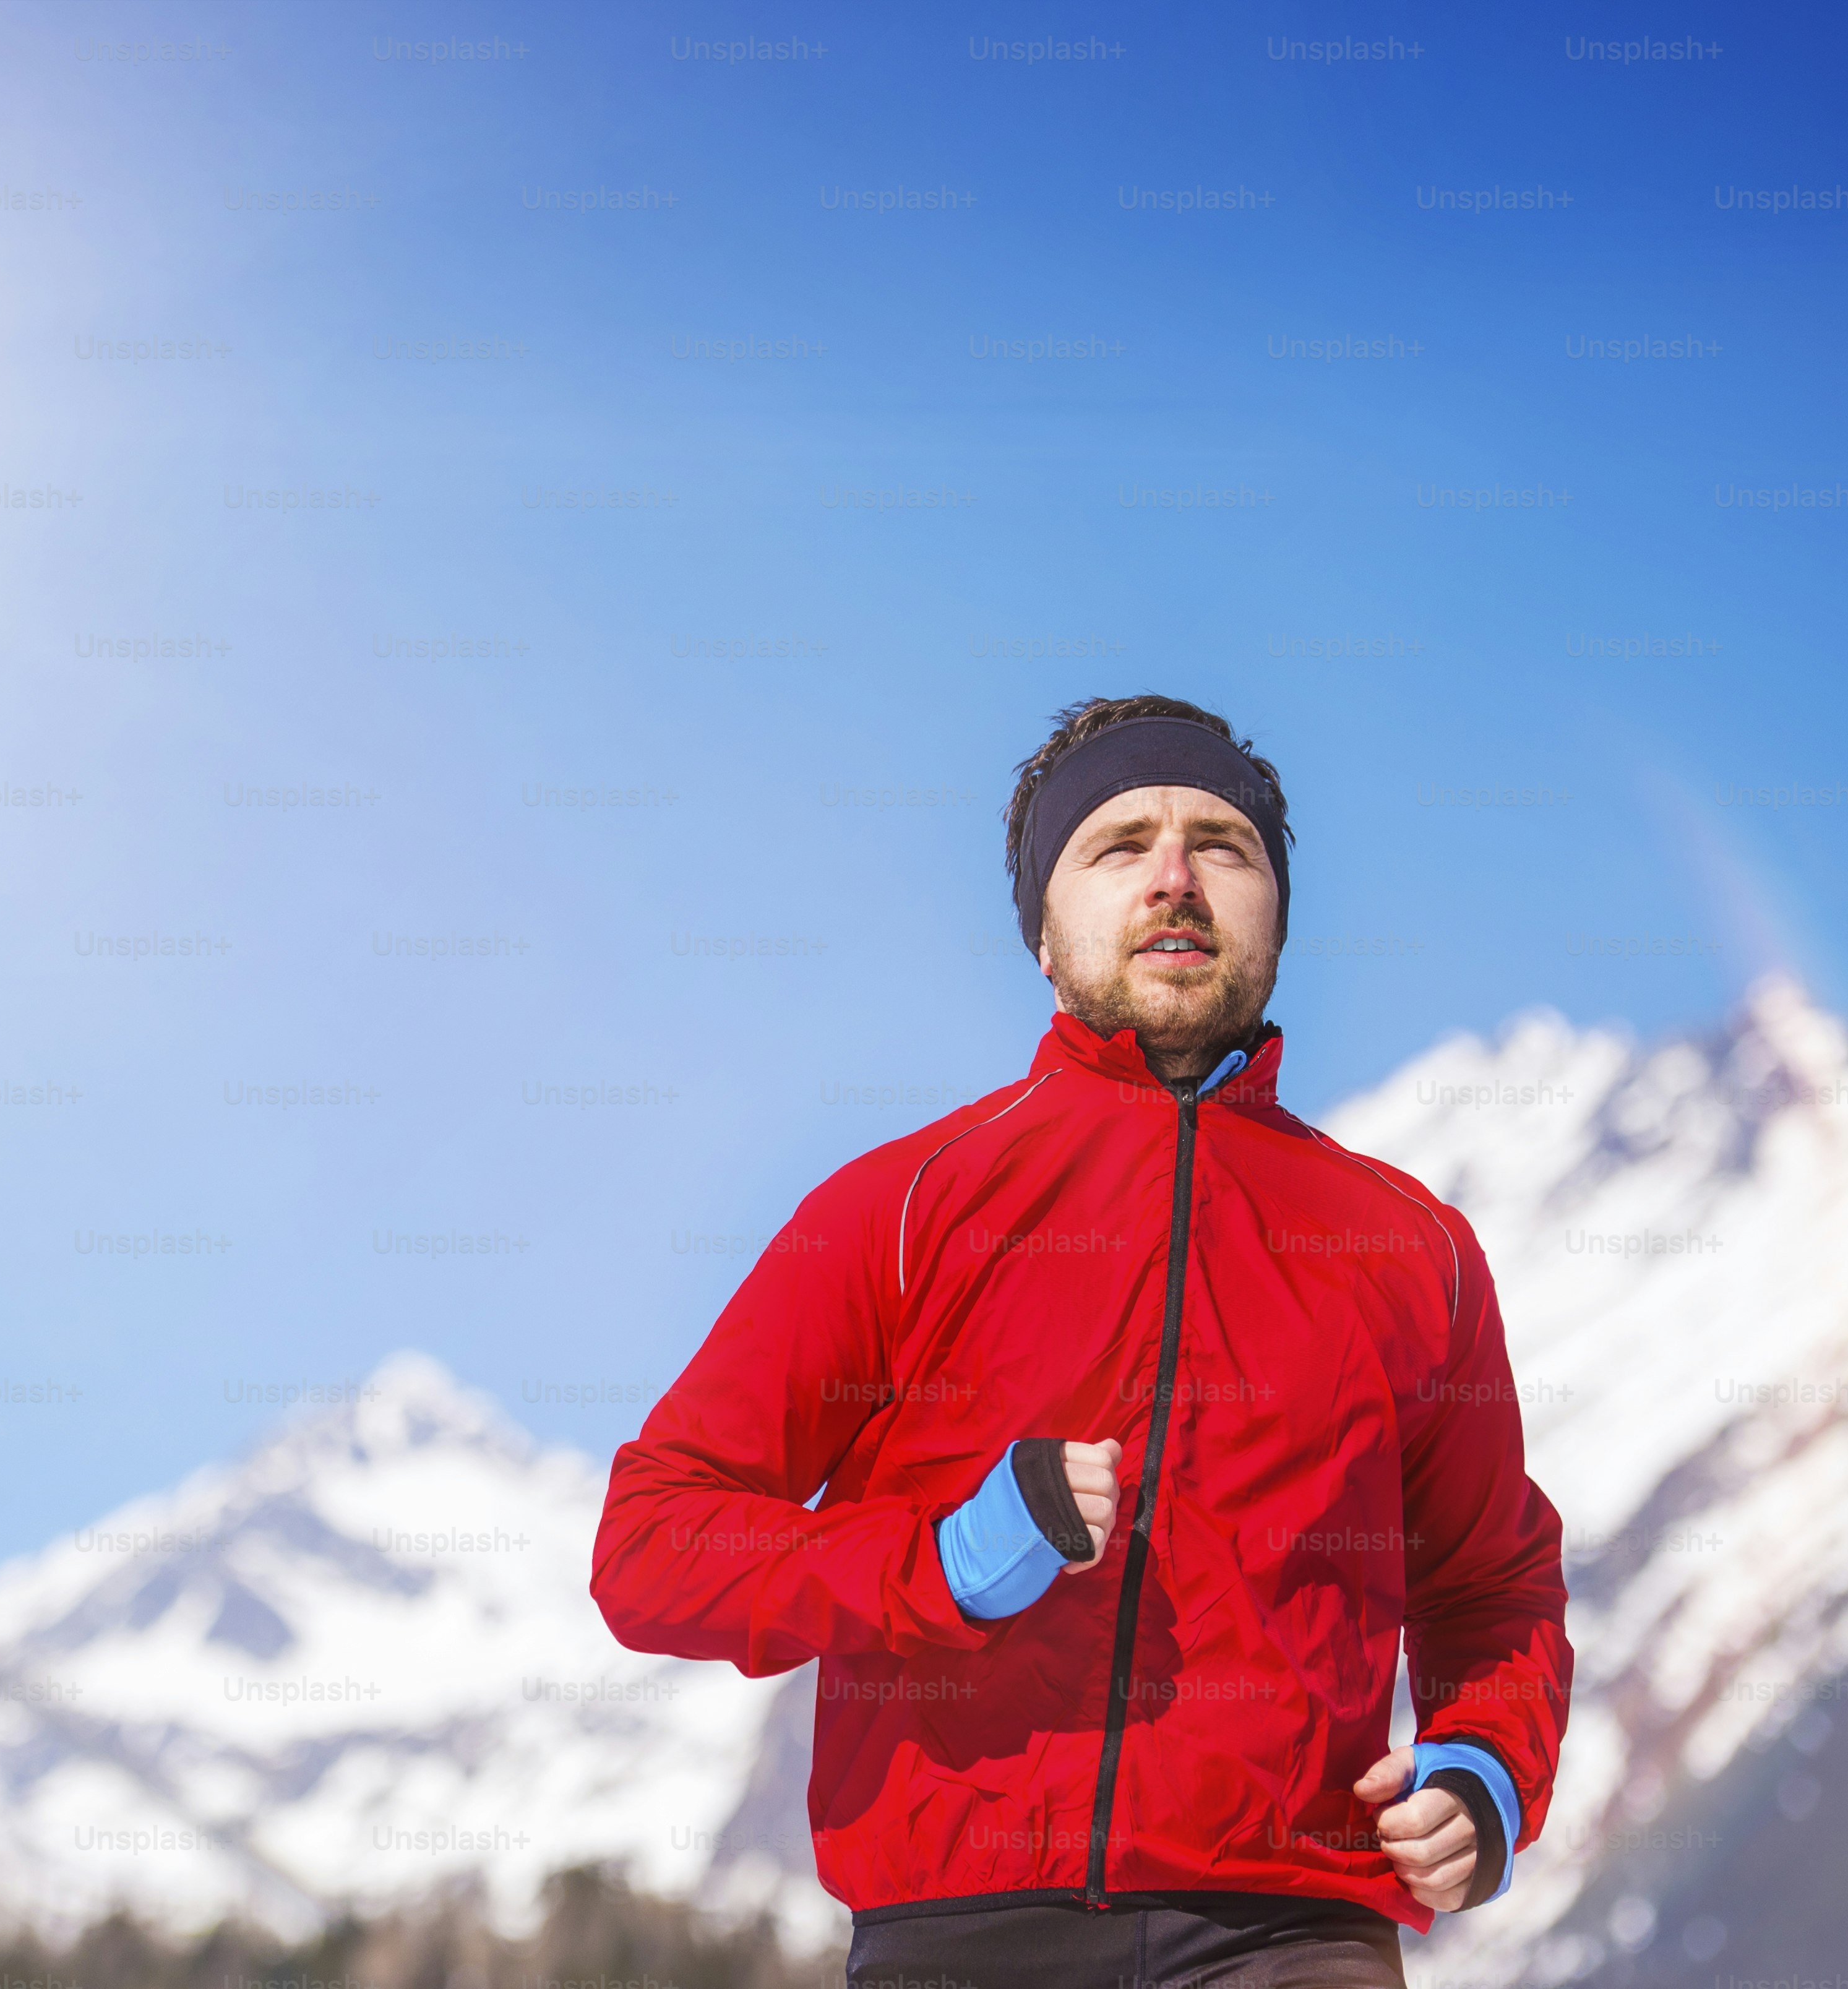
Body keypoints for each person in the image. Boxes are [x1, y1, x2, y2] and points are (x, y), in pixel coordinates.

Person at [591, 695, 1572, 1988]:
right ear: (1046, 942)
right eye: (1119, 846)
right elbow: (653, 1544)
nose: (1175, 877)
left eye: (1224, 845)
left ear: (1278, 913)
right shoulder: (898, 1210)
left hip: (1294, 1941)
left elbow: (1492, 1590)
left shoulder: (1412, 1250)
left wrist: (1487, 1772)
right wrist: (936, 1562)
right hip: (962, 1938)